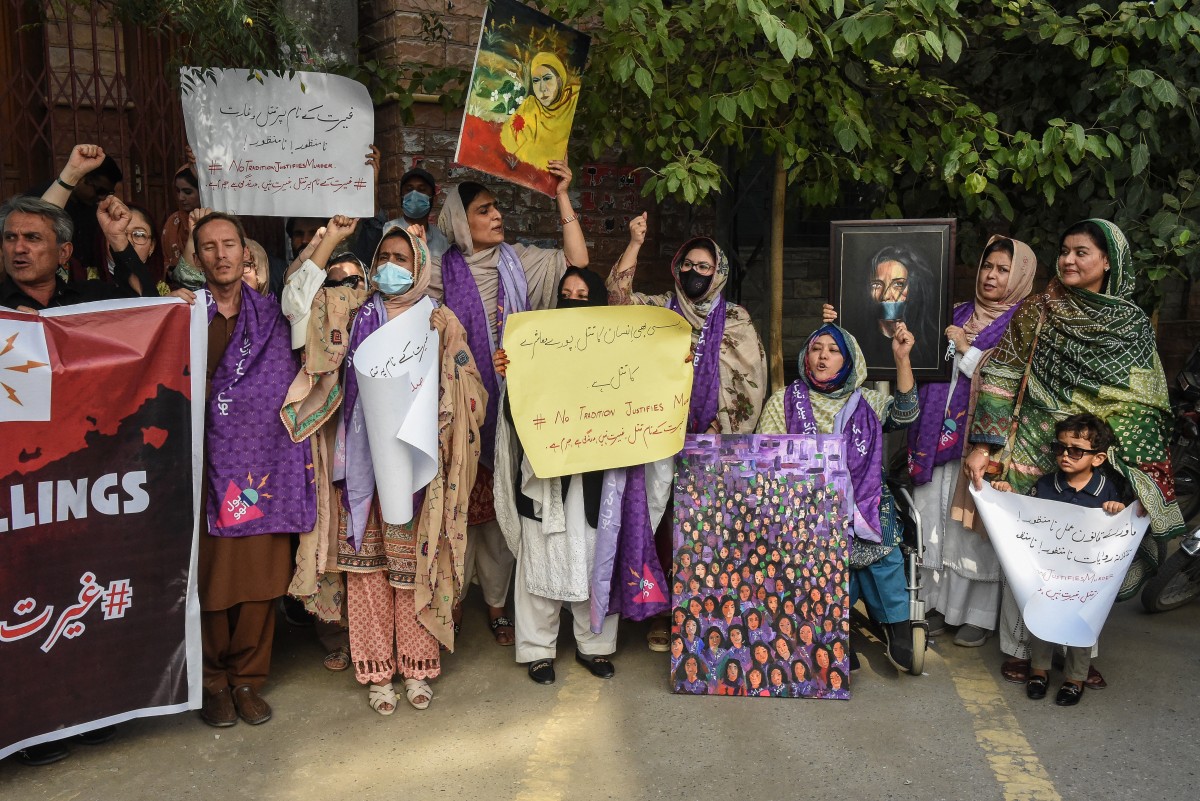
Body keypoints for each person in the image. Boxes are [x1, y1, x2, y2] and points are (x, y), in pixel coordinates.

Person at [963, 218, 1183, 688]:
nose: (1068, 260)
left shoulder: (1131, 325)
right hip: (1032, 450)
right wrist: (984, 445)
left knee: (1089, 559)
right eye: (1064, 251)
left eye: (1081, 252)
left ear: (1109, 261)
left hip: (1099, 459)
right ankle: (1022, 651)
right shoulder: (1037, 310)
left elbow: (1143, 403)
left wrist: (1143, 476)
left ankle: (1077, 655)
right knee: (1030, 557)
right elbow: (1002, 373)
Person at [428, 166, 587, 645]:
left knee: (502, 513)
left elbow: (578, 265)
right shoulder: (437, 273)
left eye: (496, 207)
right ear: (460, 222)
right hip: (457, 409)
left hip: (513, 408)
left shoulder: (518, 261)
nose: (497, 215)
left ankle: (497, 606)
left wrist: (562, 196)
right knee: (457, 508)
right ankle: (451, 602)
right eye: (484, 210)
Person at [171, 211, 316, 728]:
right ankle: (212, 681)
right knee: (211, 579)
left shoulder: (273, 315)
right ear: (196, 257)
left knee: (260, 576)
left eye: (229, 243)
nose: (221, 254)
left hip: (261, 465)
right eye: (208, 247)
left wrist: (331, 237)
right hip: (204, 469)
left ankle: (249, 679)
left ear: (245, 252)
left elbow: (309, 295)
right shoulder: (182, 315)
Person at [336, 222, 485, 712]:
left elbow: (471, 388)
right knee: (368, 569)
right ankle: (378, 670)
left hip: (419, 464)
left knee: (414, 565)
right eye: (385, 257)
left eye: (403, 258)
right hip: (363, 462)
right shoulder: (355, 314)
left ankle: (418, 667)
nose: (392, 267)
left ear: (421, 265)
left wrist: (452, 374)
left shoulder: (439, 320)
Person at [610, 213, 768, 651]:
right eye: (688, 265)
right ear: (677, 266)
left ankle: (699, 610)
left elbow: (750, 382)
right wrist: (635, 242)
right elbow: (617, 299)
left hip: (714, 443)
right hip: (658, 437)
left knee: (703, 527)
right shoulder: (661, 309)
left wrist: (718, 429)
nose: (695, 273)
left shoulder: (735, 318)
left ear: (718, 273)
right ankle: (660, 612)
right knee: (659, 522)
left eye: (704, 267)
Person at [757, 306, 921, 674]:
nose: (823, 356)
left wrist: (901, 359)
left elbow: (907, 415)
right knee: (827, 560)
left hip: (864, 501)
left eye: (833, 350)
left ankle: (897, 628)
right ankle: (835, 629)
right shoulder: (784, 401)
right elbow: (764, 456)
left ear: (848, 361)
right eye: (817, 348)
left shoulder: (867, 401)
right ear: (806, 356)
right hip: (805, 506)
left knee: (884, 550)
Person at [494, 268, 622, 685]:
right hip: (546, 477)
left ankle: (595, 646)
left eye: (582, 295)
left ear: (597, 303)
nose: (572, 301)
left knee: (595, 555)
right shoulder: (538, 350)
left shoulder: (617, 355)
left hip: (596, 477)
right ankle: (537, 650)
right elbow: (517, 417)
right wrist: (511, 374)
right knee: (541, 553)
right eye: (565, 294)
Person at [910, 236, 1035, 647]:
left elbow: (1018, 383)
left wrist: (967, 350)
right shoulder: (958, 312)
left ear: (1018, 276)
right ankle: (937, 605)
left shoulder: (1023, 324)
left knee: (973, 531)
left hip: (983, 443)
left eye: (1002, 269)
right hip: (936, 437)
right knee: (935, 519)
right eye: (987, 266)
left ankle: (977, 616)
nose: (991, 276)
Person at [279, 218, 372, 674]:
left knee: (371, 542)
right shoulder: (314, 322)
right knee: (331, 539)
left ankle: (374, 636)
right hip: (329, 441)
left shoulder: (385, 318)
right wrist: (328, 240)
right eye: (333, 284)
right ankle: (337, 635)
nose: (344, 292)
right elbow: (296, 297)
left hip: (375, 451)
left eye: (354, 282)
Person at [991, 414, 1128, 706]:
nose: (1065, 455)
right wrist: (1006, 495)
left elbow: (1118, 529)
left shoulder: (1108, 491)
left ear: (1098, 458)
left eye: (1076, 450)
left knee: (1082, 624)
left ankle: (1075, 678)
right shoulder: (1044, 485)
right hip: (1048, 572)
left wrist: (1116, 510)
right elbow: (1024, 515)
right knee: (1043, 618)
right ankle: (1038, 671)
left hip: (1085, 577)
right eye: (1060, 447)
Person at [37, 143, 123, 281]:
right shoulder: (42, 197)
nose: (102, 197)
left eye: (108, 193)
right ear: (81, 179)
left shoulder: (97, 210)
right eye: (100, 190)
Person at [858, 244, 939, 371]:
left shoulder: (930, 346)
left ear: (914, 288)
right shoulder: (858, 342)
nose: (886, 295)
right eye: (876, 285)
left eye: (898, 284)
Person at [499, 52, 580, 171]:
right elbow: (507, 143)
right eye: (536, 81)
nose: (542, 88)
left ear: (559, 79)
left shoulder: (571, 102)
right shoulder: (531, 105)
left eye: (547, 78)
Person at [161, 162, 200, 286]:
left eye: (188, 192)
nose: (181, 197)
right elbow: (165, 260)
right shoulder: (173, 221)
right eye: (178, 191)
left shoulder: (219, 222)